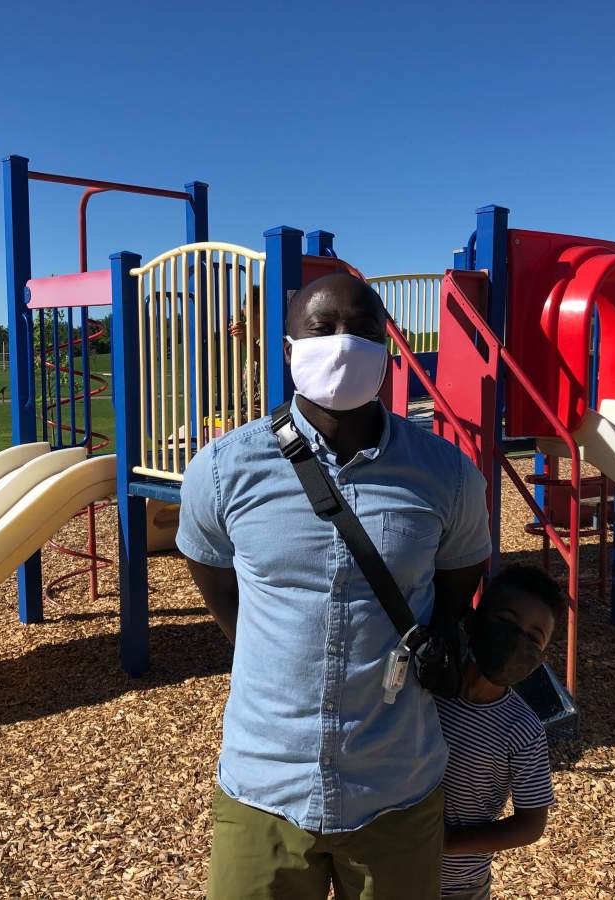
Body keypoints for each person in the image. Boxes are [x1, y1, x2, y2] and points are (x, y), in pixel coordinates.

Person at [177, 272, 492, 899]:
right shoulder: (221, 470)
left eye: (366, 331)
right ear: (289, 348)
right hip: (264, 787)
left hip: (396, 787)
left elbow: (453, 598)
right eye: (323, 329)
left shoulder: (448, 476)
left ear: (387, 350)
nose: (345, 344)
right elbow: (219, 589)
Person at [437, 566, 561, 899]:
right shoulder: (427, 689)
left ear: (539, 659)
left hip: (459, 886)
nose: (516, 639)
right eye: (506, 622)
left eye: (533, 638)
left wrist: (447, 843)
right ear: (476, 620)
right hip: (392, 869)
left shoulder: (523, 730)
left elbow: (531, 823)